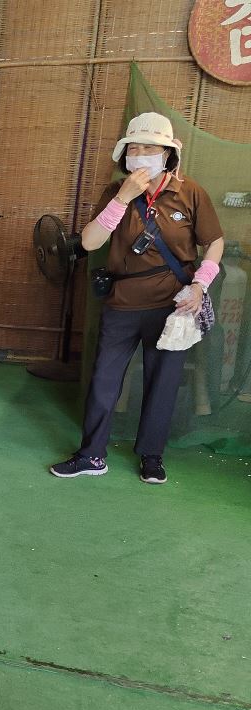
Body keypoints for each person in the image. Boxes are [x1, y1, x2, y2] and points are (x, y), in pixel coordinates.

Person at [50, 112, 224, 484]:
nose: (140, 154)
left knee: (162, 382)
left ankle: (151, 456)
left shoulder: (190, 192)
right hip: (122, 303)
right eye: (134, 148)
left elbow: (214, 242)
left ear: (168, 154)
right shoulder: (116, 192)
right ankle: (91, 455)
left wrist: (200, 284)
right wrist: (123, 198)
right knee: (104, 380)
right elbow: (90, 242)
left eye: (150, 147)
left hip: (173, 305)